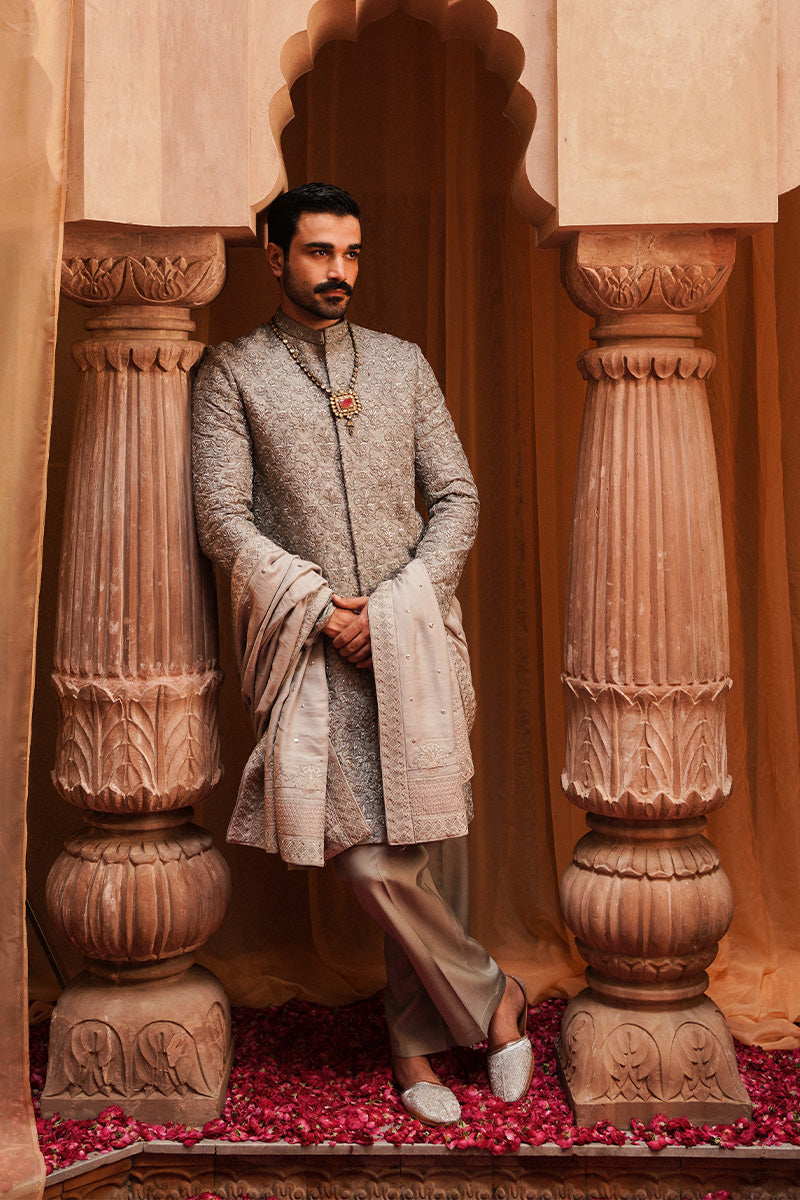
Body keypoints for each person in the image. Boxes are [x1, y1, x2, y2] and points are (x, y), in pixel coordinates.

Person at [191, 182, 532, 1125]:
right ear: (275, 256)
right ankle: (495, 997)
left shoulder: (400, 364)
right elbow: (222, 518)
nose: (338, 271)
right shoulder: (233, 374)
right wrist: (317, 608)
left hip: (412, 638)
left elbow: (456, 496)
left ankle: (414, 1049)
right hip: (311, 651)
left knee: (414, 849)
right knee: (369, 862)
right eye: (318, 252)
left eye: (349, 253)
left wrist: (396, 607)